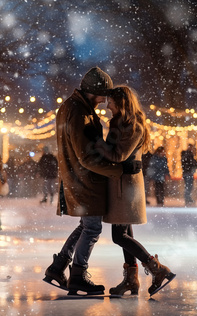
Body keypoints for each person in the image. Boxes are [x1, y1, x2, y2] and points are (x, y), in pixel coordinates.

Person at [43, 67, 141, 295]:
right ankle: (77, 275)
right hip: (85, 180)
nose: (106, 101)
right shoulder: (79, 112)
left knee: (85, 226)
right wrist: (118, 169)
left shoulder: (77, 108)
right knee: (92, 228)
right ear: (94, 92)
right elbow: (86, 156)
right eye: (103, 95)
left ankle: (58, 267)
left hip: (80, 178)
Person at [92, 85, 176, 296]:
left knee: (119, 236)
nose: (106, 105)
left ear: (121, 102)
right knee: (124, 233)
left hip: (125, 187)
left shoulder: (132, 126)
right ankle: (131, 280)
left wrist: (97, 144)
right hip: (120, 184)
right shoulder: (120, 124)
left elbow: (118, 155)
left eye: (110, 101)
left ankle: (157, 268)